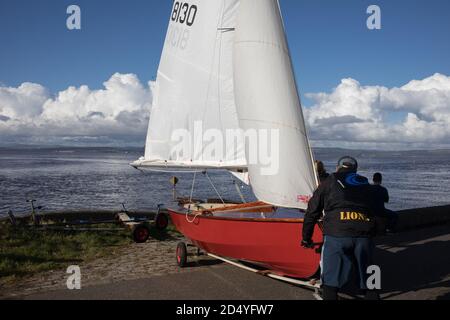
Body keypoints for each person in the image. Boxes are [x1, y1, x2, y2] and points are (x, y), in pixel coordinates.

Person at [302, 156, 379, 300]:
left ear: (338, 167)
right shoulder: (365, 182)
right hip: (364, 234)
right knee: (371, 281)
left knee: (330, 283)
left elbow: (312, 211)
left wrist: (306, 238)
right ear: (355, 170)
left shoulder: (329, 181)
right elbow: (377, 210)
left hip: (336, 234)